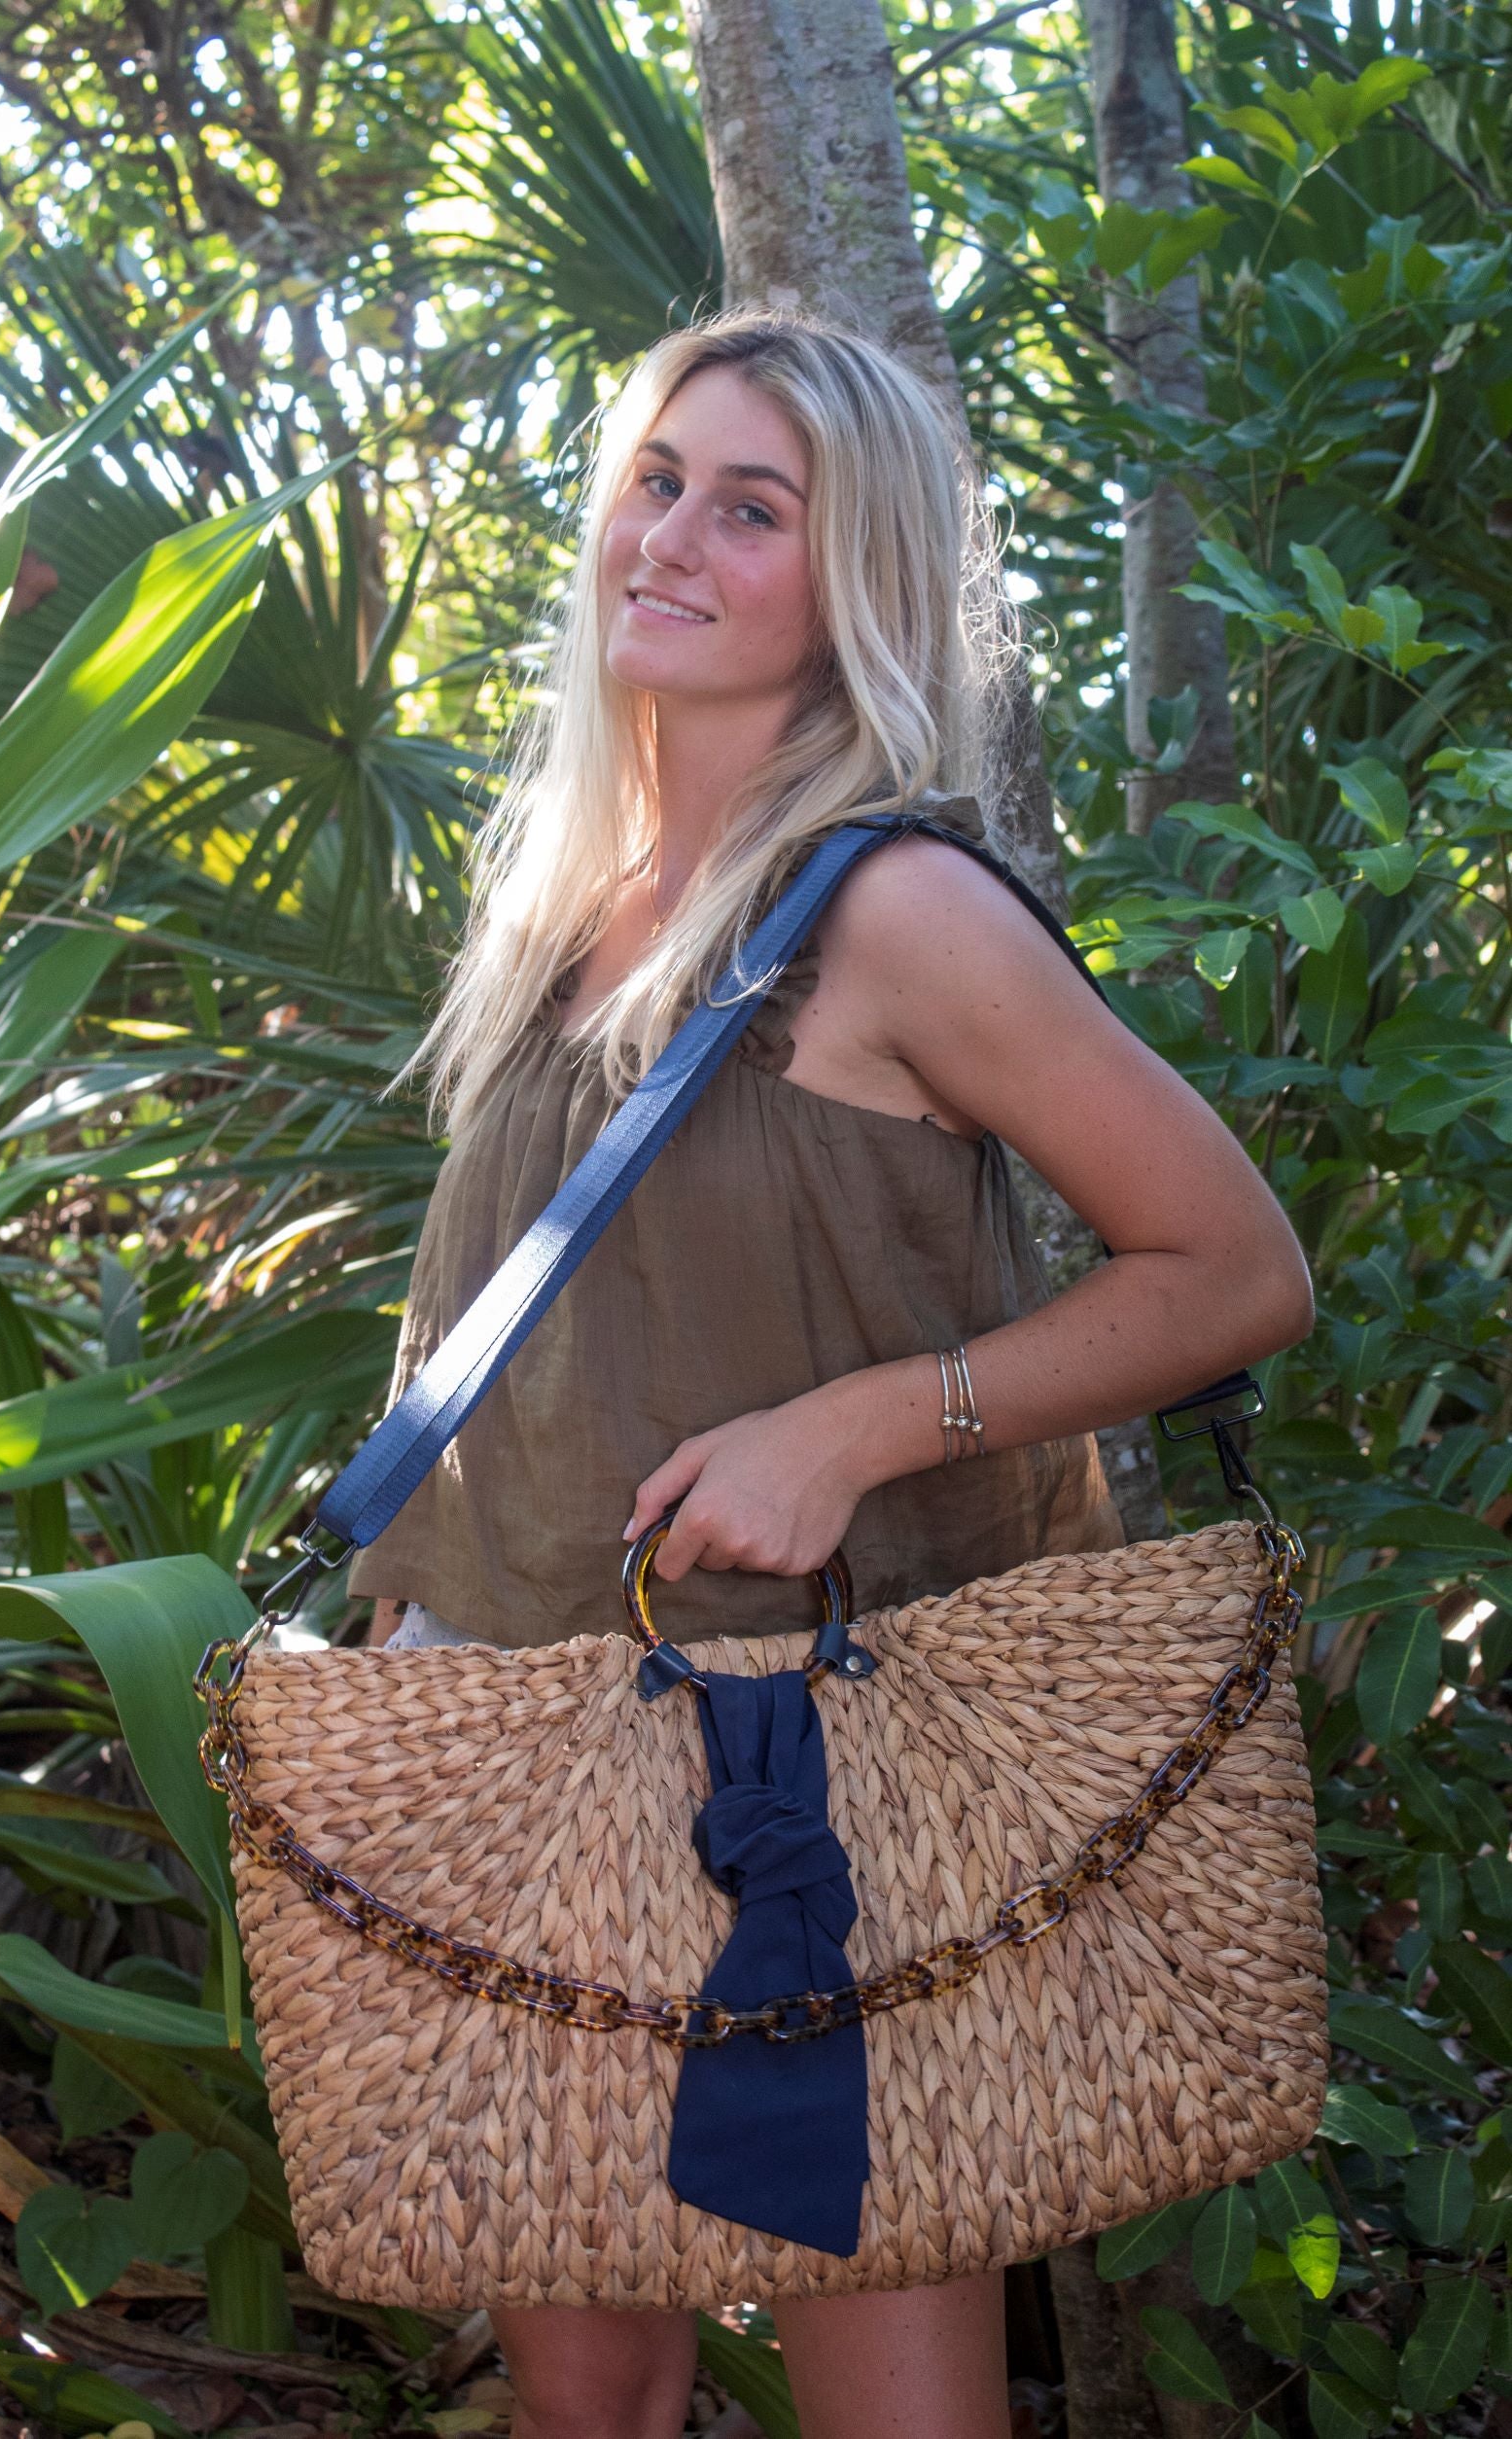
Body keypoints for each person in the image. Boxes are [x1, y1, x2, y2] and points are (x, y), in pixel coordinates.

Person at [356, 308, 1314, 2439]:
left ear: (849, 576)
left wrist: (858, 1428)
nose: (669, 534)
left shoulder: (890, 912)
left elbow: (1234, 1267)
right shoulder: (568, 905)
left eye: (750, 506)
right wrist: (416, 1590)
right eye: (655, 477)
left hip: (825, 1777)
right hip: (529, 1746)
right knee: (576, 2407)